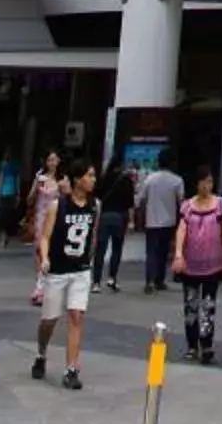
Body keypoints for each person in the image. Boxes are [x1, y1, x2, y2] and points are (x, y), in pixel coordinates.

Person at [32, 159, 98, 388]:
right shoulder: (58, 205)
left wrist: (91, 262)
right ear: (78, 179)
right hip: (58, 271)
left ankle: (71, 369)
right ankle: (41, 353)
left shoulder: (94, 205)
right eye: (89, 175)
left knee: (76, 316)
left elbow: (94, 236)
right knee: (49, 320)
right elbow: (45, 236)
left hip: (80, 270)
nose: (93, 180)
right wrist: (46, 257)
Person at [171, 167, 222, 363]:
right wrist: (179, 254)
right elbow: (181, 231)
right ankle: (191, 345)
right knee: (190, 305)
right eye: (203, 182)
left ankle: (206, 345)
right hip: (190, 265)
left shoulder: (220, 204)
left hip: (213, 265)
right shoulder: (187, 206)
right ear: (196, 183)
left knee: (208, 305)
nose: (207, 186)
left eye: (210, 182)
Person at [138, 157, 184, 292]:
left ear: (159, 163)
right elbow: (181, 201)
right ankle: (160, 279)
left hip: (151, 220)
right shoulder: (177, 180)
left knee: (151, 251)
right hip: (169, 221)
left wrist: (140, 218)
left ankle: (149, 281)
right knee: (163, 252)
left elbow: (141, 199)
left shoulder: (150, 179)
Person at [93, 158, 135, 290]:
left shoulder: (104, 179)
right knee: (117, 248)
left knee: (100, 249)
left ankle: (96, 282)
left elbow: (97, 197)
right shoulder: (127, 180)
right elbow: (130, 203)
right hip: (120, 217)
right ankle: (112, 278)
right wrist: (132, 221)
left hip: (104, 216)